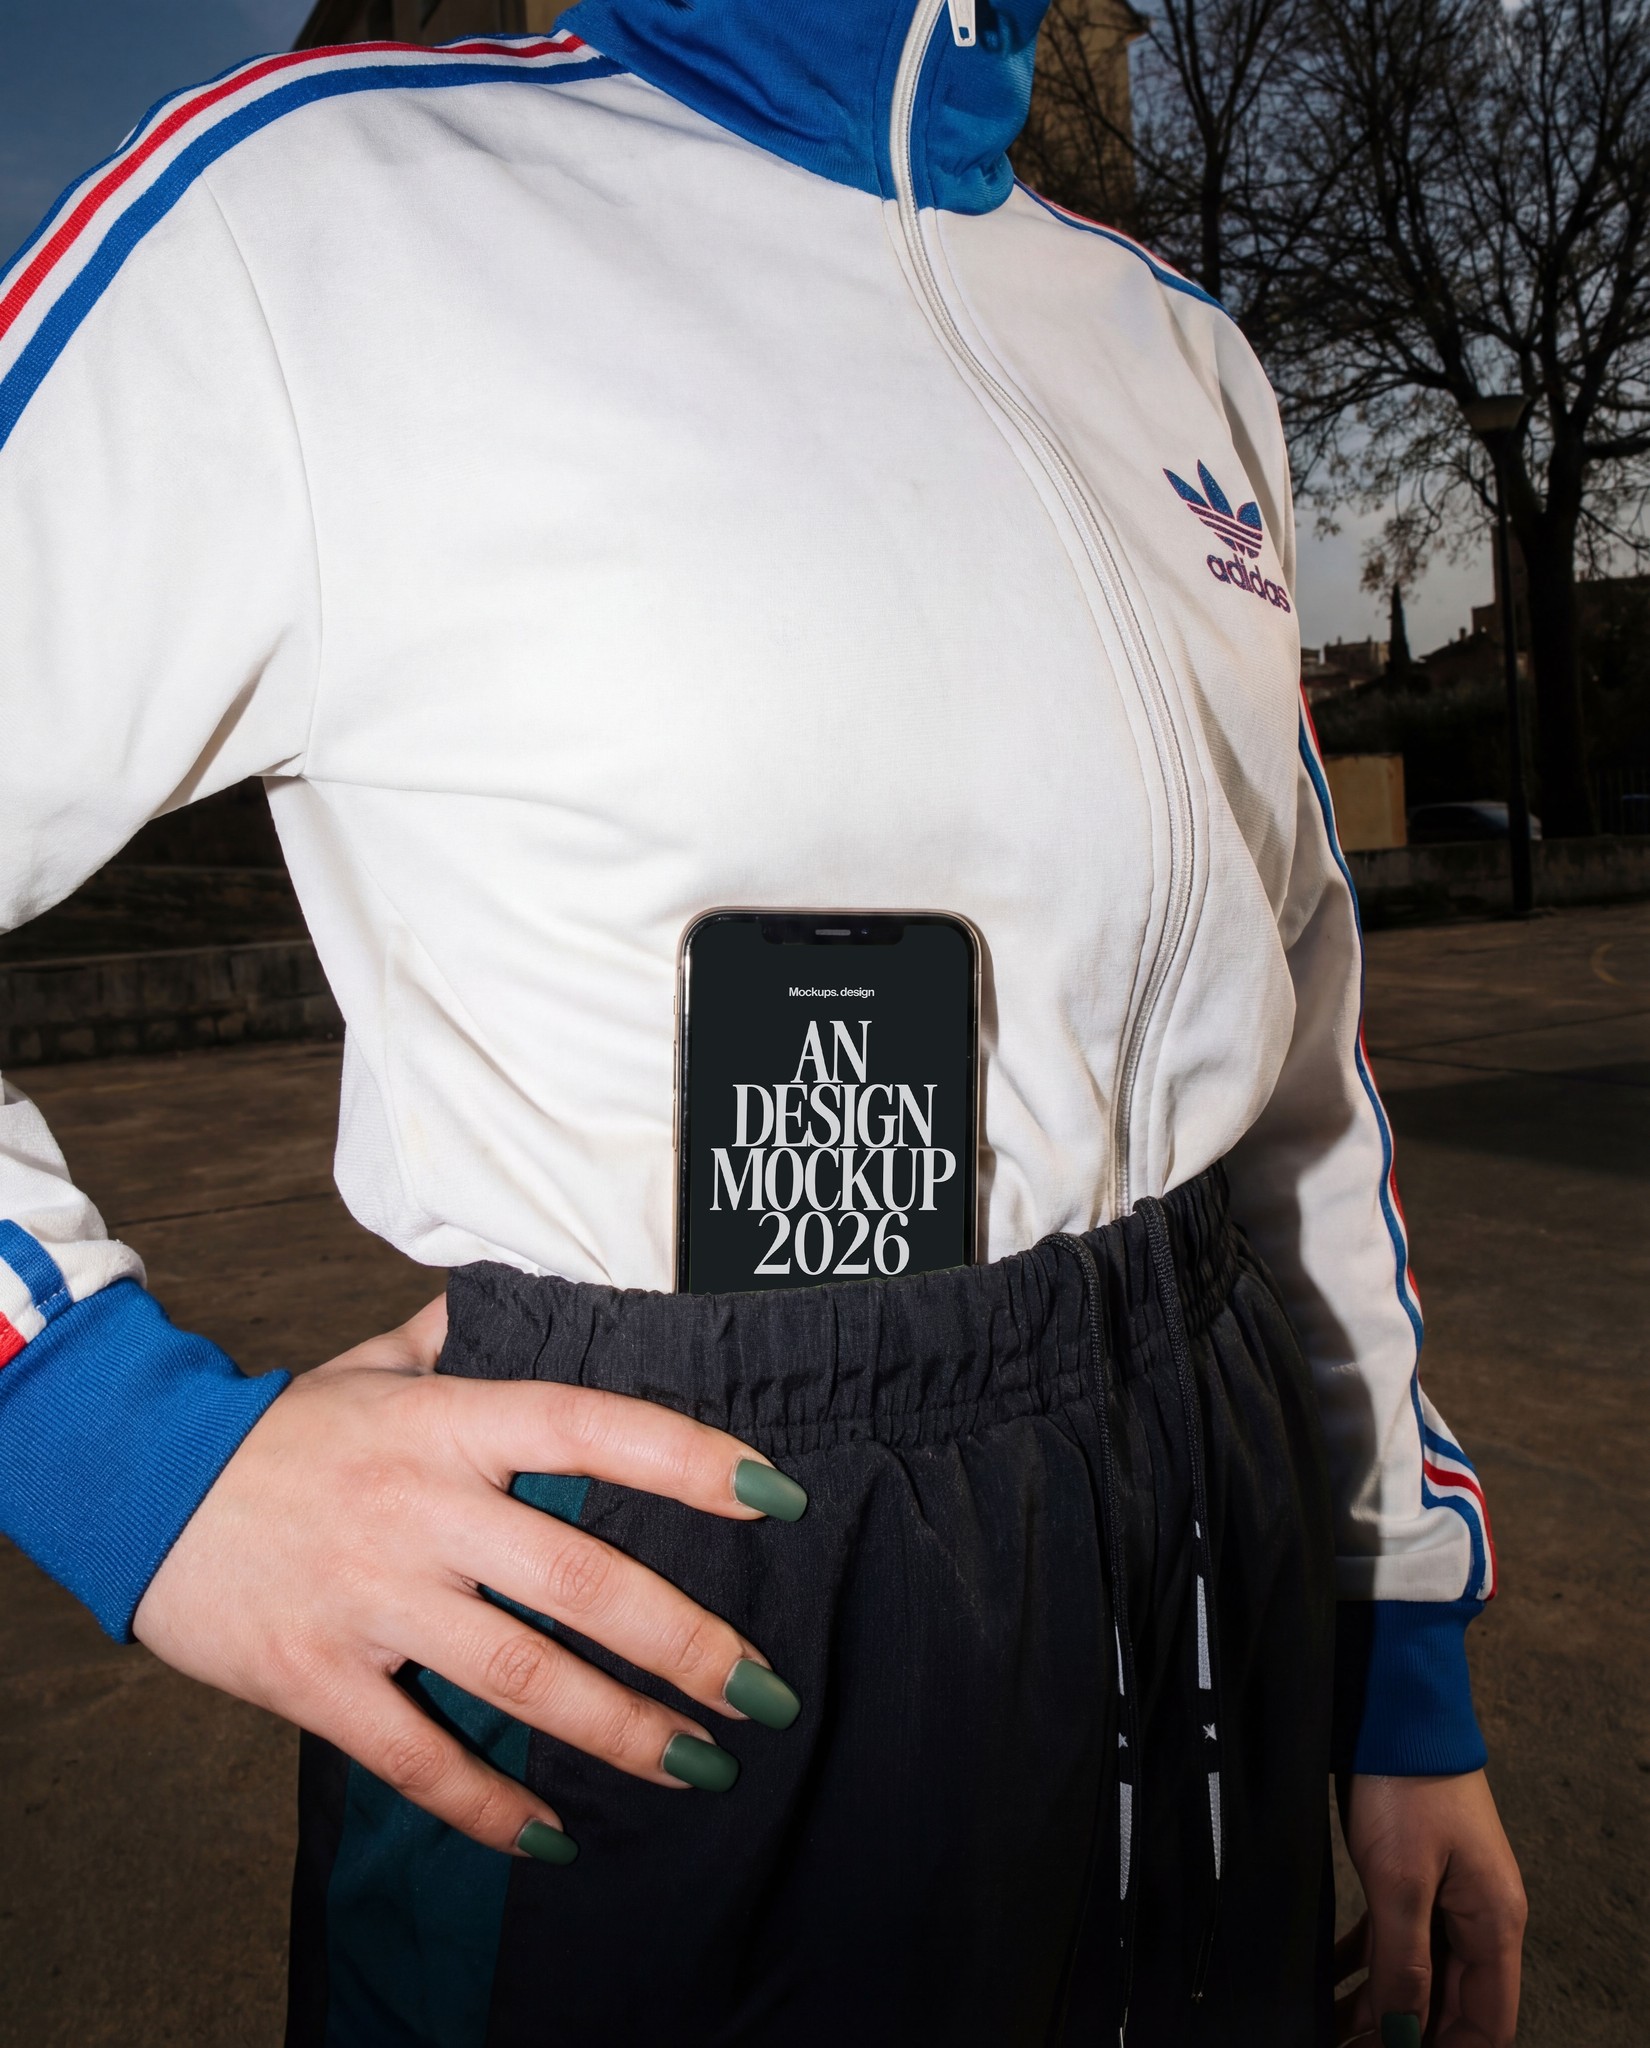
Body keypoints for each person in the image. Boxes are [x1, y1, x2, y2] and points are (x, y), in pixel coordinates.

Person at [0, 4, 1526, 2042]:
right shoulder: (313, 218)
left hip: (1203, 1537)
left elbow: (1298, 1077)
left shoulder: (1178, 350)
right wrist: (120, 1446)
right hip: (681, 1592)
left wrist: (1397, 1651)